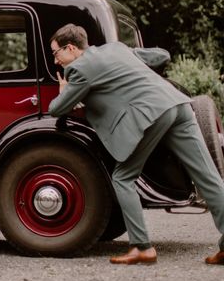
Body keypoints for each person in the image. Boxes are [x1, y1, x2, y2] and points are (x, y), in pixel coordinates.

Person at [47, 23, 224, 265]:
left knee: (122, 178)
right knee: (209, 178)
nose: (56, 61)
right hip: (178, 105)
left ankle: (142, 247)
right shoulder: (116, 49)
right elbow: (161, 55)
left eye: (56, 53)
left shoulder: (79, 69)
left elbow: (57, 109)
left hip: (152, 115)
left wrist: (62, 89)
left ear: (70, 48)